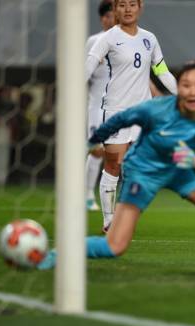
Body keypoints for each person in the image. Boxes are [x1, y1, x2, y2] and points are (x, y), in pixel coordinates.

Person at [37, 60, 195, 272]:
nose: (192, 91)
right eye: (185, 85)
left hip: (181, 170)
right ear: (178, 87)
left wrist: (194, 161)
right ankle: (59, 253)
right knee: (114, 247)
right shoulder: (157, 109)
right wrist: (91, 141)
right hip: (143, 172)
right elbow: (120, 119)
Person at [86, 0, 177, 231]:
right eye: (122, 4)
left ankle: (125, 214)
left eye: (132, 4)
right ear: (115, 9)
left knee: (136, 165)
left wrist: (181, 95)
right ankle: (108, 219)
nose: (127, 9)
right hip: (115, 112)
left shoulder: (150, 38)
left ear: (140, 7)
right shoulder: (107, 38)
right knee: (113, 164)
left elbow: (161, 70)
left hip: (143, 113)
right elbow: (88, 65)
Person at [85, 0, 115, 211]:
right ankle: (87, 195)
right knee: (96, 151)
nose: (110, 19)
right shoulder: (93, 41)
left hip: (119, 107)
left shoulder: (126, 41)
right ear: (101, 19)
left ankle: (112, 199)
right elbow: (83, 74)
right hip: (96, 106)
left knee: (114, 152)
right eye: (106, 15)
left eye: (112, 14)